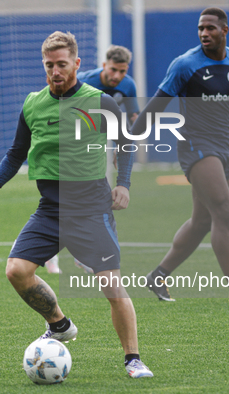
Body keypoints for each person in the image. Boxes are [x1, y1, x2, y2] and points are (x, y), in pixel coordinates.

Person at [0, 31, 153, 378]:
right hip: (51, 209)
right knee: (16, 271)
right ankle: (58, 324)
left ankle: (133, 358)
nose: (55, 71)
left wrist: (124, 185)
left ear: (76, 63)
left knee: (111, 284)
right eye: (49, 65)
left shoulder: (101, 102)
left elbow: (126, 143)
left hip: (91, 208)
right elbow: (16, 153)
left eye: (61, 64)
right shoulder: (33, 103)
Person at [132, 8, 229, 302]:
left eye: (210, 28)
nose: (204, 33)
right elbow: (157, 104)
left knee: (202, 221)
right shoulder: (185, 65)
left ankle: (158, 276)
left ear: (225, 30)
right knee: (224, 210)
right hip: (195, 146)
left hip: (222, 148)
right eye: (200, 29)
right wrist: (131, 133)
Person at [43, 45, 141, 276]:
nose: (117, 76)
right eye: (114, 70)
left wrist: (124, 146)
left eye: (123, 71)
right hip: (71, 146)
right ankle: (63, 253)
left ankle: (80, 254)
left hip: (98, 143)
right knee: (68, 201)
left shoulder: (128, 85)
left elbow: (133, 117)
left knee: (90, 199)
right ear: (104, 65)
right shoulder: (84, 81)